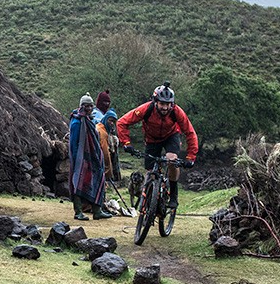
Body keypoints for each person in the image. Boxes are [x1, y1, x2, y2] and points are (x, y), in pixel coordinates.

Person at [115, 80, 200, 209]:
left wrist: (190, 157)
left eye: (168, 104)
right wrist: (126, 143)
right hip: (152, 139)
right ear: (155, 102)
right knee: (150, 173)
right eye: (162, 104)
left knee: (172, 160)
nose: (165, 108)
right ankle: (149, 203)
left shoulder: (177, 112)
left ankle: (173, 195)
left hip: (171, 136)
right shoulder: (146, 109)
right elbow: (122, 122)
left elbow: (190, 133)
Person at [68, 93, 113, 221]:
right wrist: (78, 160)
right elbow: (74, 143)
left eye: (90, 106)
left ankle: (97, 211)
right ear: (81, 106)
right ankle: (78, 212)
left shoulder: (90, 120)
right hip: (80, 158)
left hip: (93, 157)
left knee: (98, 179)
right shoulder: (76, 122)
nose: (88, 109)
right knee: (78, 181)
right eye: (85, 106)